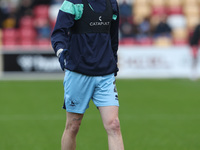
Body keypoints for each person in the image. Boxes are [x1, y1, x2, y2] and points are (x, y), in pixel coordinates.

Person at [51, 0, 124, 150]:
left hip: (105, 74)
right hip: (78, 73)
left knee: (114, 125)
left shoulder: (112, 3)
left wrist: (113, 60)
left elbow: (113, 36)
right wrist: (61, 53)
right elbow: (59, 33)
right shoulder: (72, 3)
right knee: (73, 126)